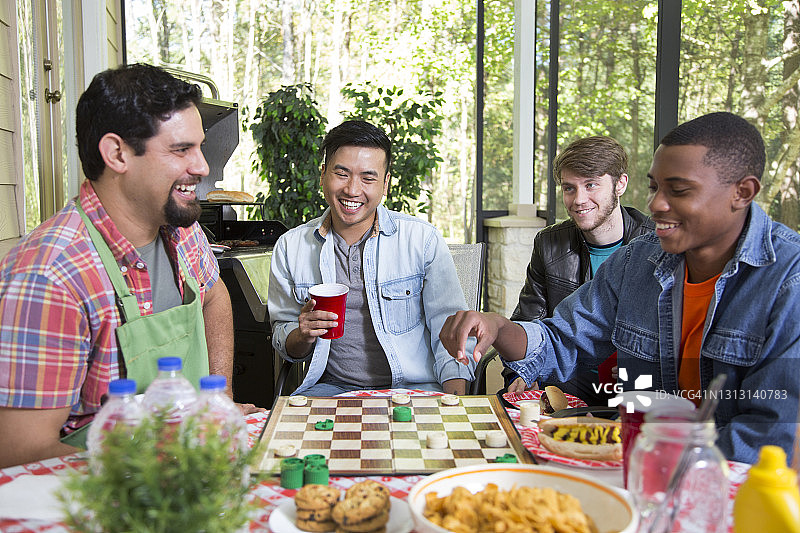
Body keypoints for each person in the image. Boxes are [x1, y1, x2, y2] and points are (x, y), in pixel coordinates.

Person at [440, 112, 800, 464]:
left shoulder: (789, 280)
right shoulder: (636, 261)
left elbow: (766, 439)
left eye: (679, 190)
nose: (656, 204)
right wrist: (499, 326)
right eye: (655, 187)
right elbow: (560, 339)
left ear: (743, 192)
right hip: (632, 464)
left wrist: (648, 461)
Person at [0, 63, 259, 469]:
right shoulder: (50, 275)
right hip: (105, 500)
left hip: (193, 469)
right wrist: (154, 474)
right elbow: (21, 452)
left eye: (200, 146)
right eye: (181, 149)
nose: (203, 167)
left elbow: (213, 296)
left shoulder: (180, 228)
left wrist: (218, 399)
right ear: (117, 154)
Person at [268, 120, 475, 396]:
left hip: (414, 390)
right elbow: (284, 338)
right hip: (330, 390)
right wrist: (302, 335)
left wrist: (454, 406)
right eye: (341, 173)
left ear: (385, 183)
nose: (352, 190)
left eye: (368, 178)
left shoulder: (422, 240)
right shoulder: (290, 247)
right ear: (322, 175)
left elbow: (452, 335)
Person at [504, 136, 653, 403]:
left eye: (591, 185)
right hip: (570, 375)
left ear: (621, 184)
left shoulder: (653, 245)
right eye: (569, 188)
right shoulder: (549, 244)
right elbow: (528, 320)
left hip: (635, 380)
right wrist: (522, 374)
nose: (578, 200)